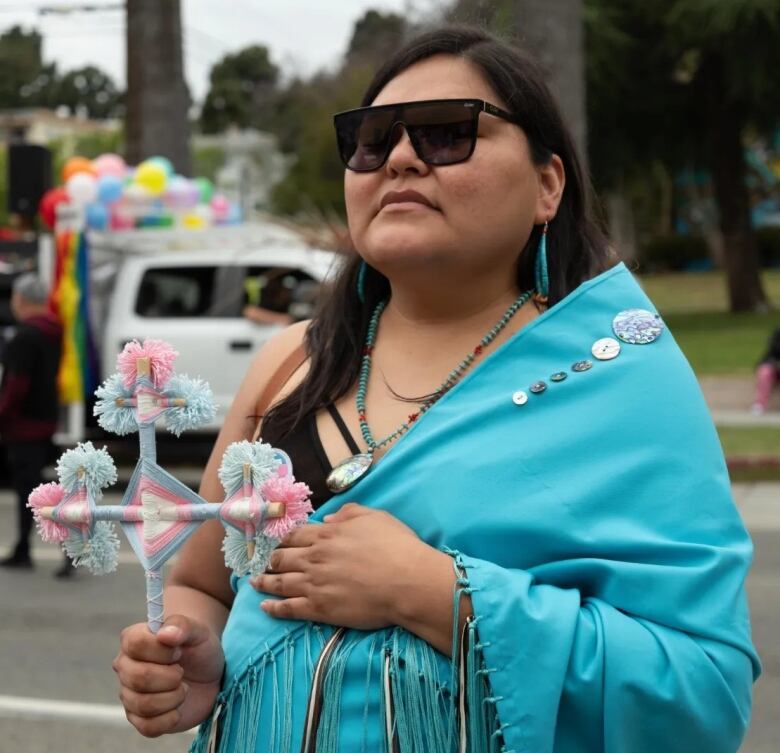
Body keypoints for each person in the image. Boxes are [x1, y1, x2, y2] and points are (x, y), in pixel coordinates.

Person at [113, 26, 760, 753]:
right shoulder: (290, 363)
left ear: (548, 185)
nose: (397, 159)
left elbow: (703, 689)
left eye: (447, 133)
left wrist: (431, 592)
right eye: (369, 140)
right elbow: (205, 585)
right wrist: (194, 653)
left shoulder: (615, 377)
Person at [0, 273, 69, 575]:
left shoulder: (25, 337)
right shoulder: (55, 332)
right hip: (46, 418)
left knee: (33, 491)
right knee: (37, 487)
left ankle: (65, 549)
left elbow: (16, 385)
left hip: (23, 424)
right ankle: (24, 548)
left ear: (21, 299)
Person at [751, 327, 780, 415]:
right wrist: (776, 364)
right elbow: (770, 355)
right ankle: (760, 404)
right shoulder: (777, 335)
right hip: (774, 366)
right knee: (764, 372)